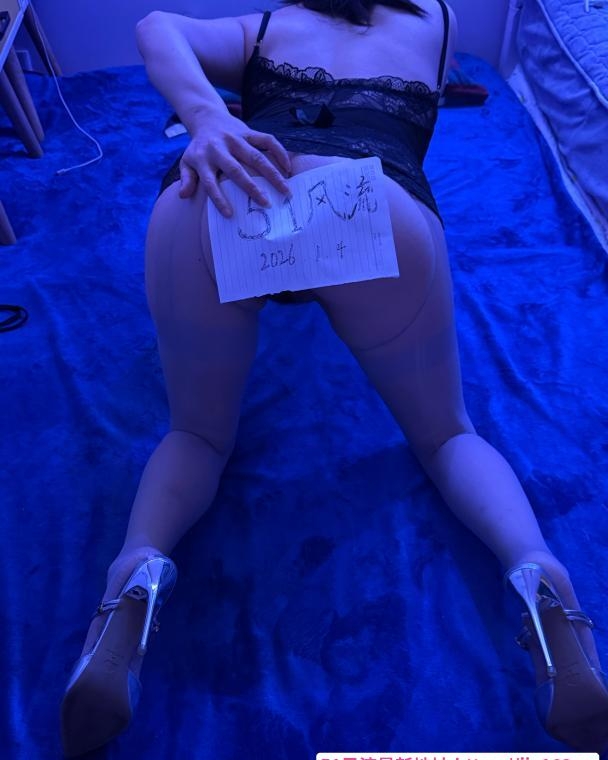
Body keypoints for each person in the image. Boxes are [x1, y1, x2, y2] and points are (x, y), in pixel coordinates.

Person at [60, 0, 608, 756]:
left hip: (222, 192)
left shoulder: (264, 29)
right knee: (447, 437)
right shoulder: (437, 19)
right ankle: (541, 578)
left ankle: (132, 576)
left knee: (197, 437)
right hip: (364, 199)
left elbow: (156, 27)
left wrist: (208, 117)